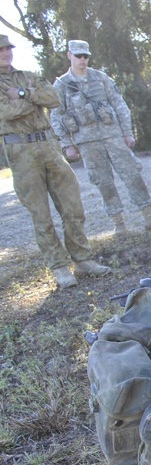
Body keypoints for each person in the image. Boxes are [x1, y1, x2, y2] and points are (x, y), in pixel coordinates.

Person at [0, 34, 109, 289]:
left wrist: (22, 93)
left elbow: (54, 99)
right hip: (20, 149)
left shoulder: (27, 76)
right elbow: (6, 112)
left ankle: (82, 260)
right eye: (1, 49)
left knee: (73, 206)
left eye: (8, 48)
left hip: (49, 145)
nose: (6, 53)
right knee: (41, 214)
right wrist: (32, 99)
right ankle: (59, 267)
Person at [50, 40, 151, 233]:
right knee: (103, 182)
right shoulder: (61, 85)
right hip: (86, 142)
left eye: (86, 56)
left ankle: (149, 217)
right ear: (69, 56)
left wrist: (127, 132)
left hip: (112, 136)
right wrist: (67, 144)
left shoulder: (101, 78)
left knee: (132, 174)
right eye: (78, 56)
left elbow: (119, 104)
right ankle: (119, 224)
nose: (82, 59)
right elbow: (56, 116)